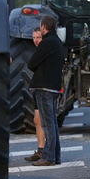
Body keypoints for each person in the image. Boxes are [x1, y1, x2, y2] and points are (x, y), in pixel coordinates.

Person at [27, 16, 64, 166]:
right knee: (52, 123)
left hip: (43, 86)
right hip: (54, 86)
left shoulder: (46, 43)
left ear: (43, 27)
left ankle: (48, 158)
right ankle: (56, 156)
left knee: (47, 124)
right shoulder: (58, 43)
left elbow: (31, 64)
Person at [25, 27, 46, 162]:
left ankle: (45, 150)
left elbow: (31, 65)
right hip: (37, 87)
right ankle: (40, 150)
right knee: (37, 120)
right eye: (33, 37)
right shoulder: (38, 51)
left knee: (44, 120)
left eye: (38, 37)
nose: (35, 40)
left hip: (44, 88)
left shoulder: (45, 50)